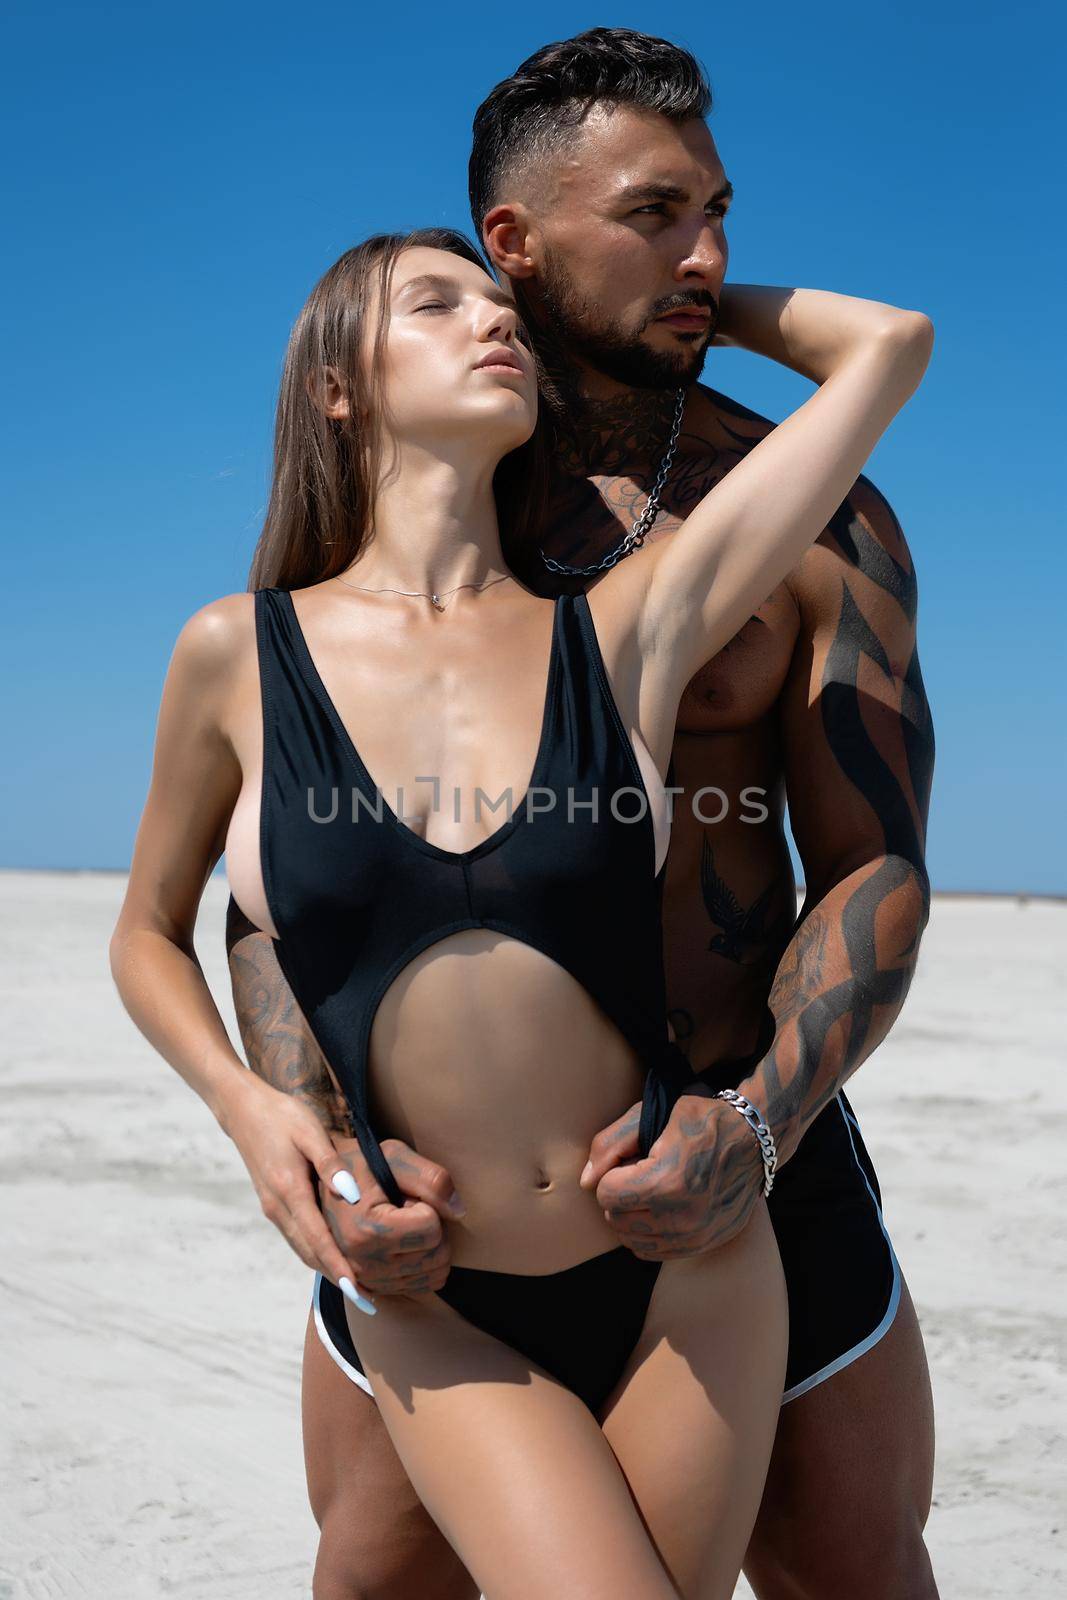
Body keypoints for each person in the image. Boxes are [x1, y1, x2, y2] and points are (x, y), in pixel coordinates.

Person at [109, 209, 930, 1593]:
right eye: (436, 306)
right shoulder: (238, 655)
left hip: (688, 1269)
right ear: (335, 382)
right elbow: (150, 931)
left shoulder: (628, 630)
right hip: (433, 1290)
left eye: (503, 311)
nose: (489, 322)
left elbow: (885, 349)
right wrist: (255, 1116)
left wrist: (663, 308)